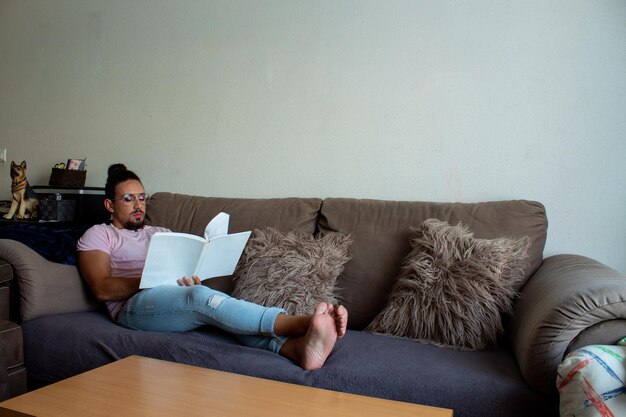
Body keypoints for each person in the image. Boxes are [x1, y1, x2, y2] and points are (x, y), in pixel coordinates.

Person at [77, 164, 348, 370]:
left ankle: (296, 351)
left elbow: (180, 278)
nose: (138, 205)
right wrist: (155, 278)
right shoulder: (99, 235)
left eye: (141, 197)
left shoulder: (160, 231)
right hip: (131, 308)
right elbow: (101, 288)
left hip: (169, 300)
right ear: (109, 205)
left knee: (215, 312)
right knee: (200, 298)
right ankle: (299, 324)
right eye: (128, 199)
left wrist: (186, 277)